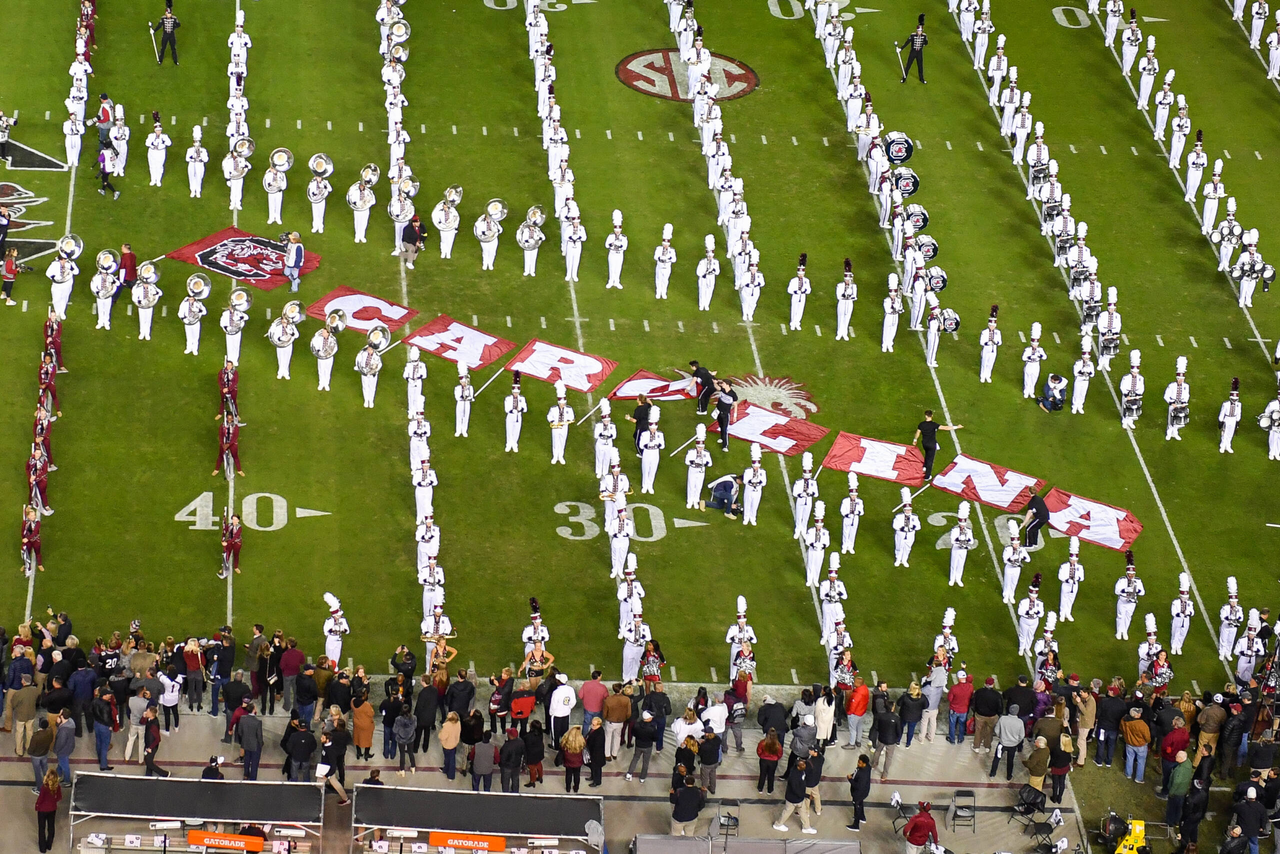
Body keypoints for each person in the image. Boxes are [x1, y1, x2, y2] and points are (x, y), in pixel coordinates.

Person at [912, 410, 961, 481]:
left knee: (927, 454)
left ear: (925, 416)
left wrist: (915, 440)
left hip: (924, 443)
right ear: (932, 416)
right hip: (932, 444)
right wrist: (957, 427)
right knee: (930, 460)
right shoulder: (933, 425)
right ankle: (927, 476)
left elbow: (918, 433)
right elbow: (945, 428)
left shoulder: (921, 424)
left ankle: (924, 467)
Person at [774, 758, 817, 833]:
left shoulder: (800, 771)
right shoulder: (794, 776)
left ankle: (806, 827)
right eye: (802, 765)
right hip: (793, 799)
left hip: (799, 798)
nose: (804, 766)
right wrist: (806, 795)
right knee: (787, 812)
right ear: (797, 766)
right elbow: (795, 789)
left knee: (803, 812)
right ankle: (778, 824)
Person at [989, 704, 1024, 781]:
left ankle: (992, 774)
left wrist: (1001, 737)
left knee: (997, 758)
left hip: (1002, 743)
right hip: (1013, 745)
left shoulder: (1002, 719)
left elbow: (996, 730)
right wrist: (1016, 742)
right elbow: (1022, 735)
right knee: (1010, 760)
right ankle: (1009, 776)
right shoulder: (1020, 722)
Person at [35, 768, 61, 853]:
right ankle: (49, 845)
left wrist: (37, 806)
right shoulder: (57, 787)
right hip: (52, 809)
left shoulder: (44, 787)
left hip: (42, 810)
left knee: (42, 828)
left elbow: (40, 798)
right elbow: (59, 797)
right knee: (51, 827)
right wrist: (53, 801)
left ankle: (43, 848)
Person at [900, 14, 928, 83]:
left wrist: (923, 44)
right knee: (908, 65)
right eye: (918, 31)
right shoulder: (913, 35)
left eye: (920, 31)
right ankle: (904, 78)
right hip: (913, 52)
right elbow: (907, 42)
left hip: (919, 52)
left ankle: (921, 78)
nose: (919, 32)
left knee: (920, 66)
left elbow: (926, 42)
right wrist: (901, 49)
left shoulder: (924, 36)